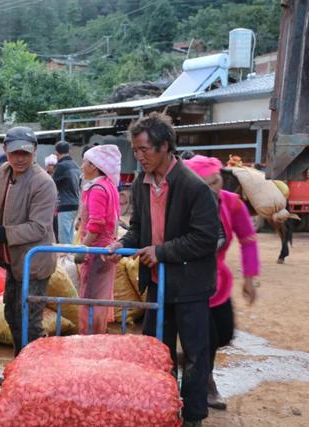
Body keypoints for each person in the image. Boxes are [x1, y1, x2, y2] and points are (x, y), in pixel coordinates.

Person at [107, 113, 219, 427]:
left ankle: (193, 416)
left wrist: (162, 251)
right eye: (136, 150)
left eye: (145, 150)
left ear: (165, 146)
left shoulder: (194, 187)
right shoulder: (142, 185)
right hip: (158, 283)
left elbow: (206, 238)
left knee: (195, 353)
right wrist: (121, 243)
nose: (139, 156)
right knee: (157, 352)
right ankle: (163, 410)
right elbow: (139, 228)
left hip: (190, 285)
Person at [0, 126, 57, 360]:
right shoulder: (5, 172)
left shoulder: (43, 183)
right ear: (5, 149)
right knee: (11, 312)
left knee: (30, 320)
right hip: (13, 260)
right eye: (15, 152)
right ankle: (21, 364)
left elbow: (38, 227)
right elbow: (5, 206)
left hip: (34, 263)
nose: (20, 158)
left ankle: (38, 368)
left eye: (25, 153)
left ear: (35, 152)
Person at [183, 155, 260, 410]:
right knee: (206, 337)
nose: (213, 188)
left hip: (218, 281)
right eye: (205, 184)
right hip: (188, 282)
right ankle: (206, 382)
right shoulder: (183, 206)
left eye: (216, 181)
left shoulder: (231, 203)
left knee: (224, 334)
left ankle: (196, 365)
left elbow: (248, 239)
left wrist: (249, 278)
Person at [74, 145, 121, 334]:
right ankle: (97, 336)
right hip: (105, 251)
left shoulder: (98, 189)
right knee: (99, 298)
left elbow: (96, 224)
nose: (82, 166)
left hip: (97, 253)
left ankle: (90, 339)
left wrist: (82, 250)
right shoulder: (109, 186)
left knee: (91, 299)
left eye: (84, 162)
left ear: (94, 166)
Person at [52, 141, 80, 244]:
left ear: (57, 153)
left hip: (65, 205)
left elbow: (51, 185)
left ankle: (66, 259)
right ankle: (70, 258)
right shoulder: (75, 165)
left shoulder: (61, 166)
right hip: (75, 205)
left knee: (63, 239)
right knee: (70, 236)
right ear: (69, 151)